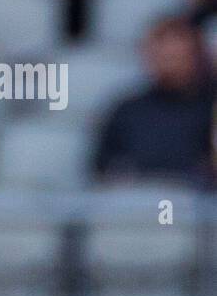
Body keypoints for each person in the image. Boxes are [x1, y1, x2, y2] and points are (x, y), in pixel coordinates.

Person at [92, 15, 216, 185]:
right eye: (162, 56)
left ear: (196, 56)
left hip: (198, 203)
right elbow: (102, 168)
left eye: (176, 56)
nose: (169, 64)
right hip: (136, 202)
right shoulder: (126, 110)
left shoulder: (210, 109)